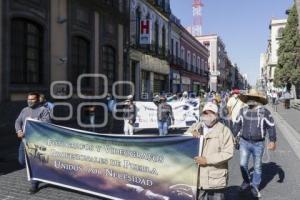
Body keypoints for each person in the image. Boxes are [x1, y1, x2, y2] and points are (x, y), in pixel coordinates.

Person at [185, 102, 234, 200]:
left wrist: (207, 160)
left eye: (211, 113)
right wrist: (190, 134)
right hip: (197, 179)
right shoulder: (196, 127)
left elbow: (228, 153)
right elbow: (182, 142)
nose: (208, 115)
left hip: (216, 180)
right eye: (206, 113)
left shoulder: (225, 131)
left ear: (216, 115)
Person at [233, 89, 277, 198]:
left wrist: (272, 140)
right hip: (244, 142)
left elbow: (271, 126)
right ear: (247, 99)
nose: (251, 100)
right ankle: (247, 181)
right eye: (249, 98)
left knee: (257, 167)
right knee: (243, 164)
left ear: (258, 100)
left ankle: (255, 186)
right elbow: (237, 125)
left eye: (254, 98)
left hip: (259, 144)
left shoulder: (264, 112)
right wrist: (232, 136)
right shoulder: (242, 111)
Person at [15, 92, 51, 194]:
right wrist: (19, 131)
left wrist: (36, 122)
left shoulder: (44, 110)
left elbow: (47, 124)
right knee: (21, 160)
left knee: (34, 162)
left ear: (38, 99)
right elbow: (18, 122)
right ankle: (38, 172)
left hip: (37, 142)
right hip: (24, 140)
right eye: (28, 99)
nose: (30, 101)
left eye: (32, 99)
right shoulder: (24, 110)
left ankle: (34, 184)